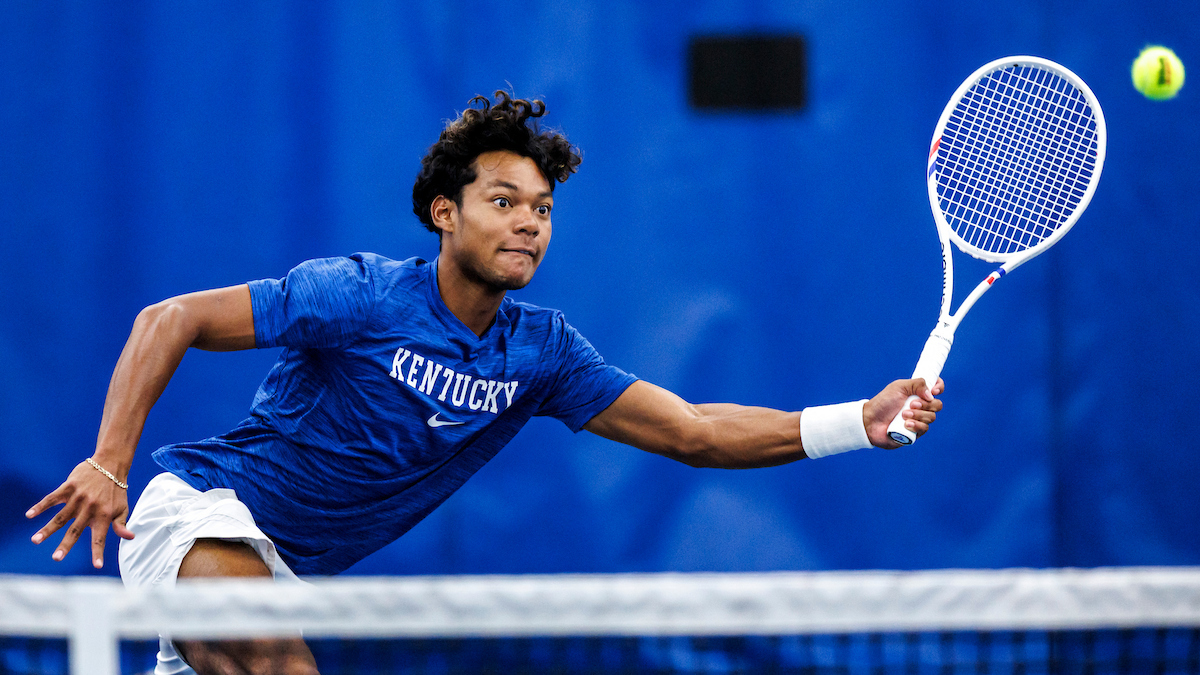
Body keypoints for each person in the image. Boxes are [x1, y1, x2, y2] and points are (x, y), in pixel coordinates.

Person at [26, 91, 943, 675]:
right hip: (200, 511)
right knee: (277, 659)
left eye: (542, 210)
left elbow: (696, 430)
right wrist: (109, 463)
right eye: (504, 202)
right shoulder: (358, 295)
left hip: (284, 567)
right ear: (444, 212)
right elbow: (168, 319)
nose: (530, 225)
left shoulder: (541, 354)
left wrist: (857, 421)